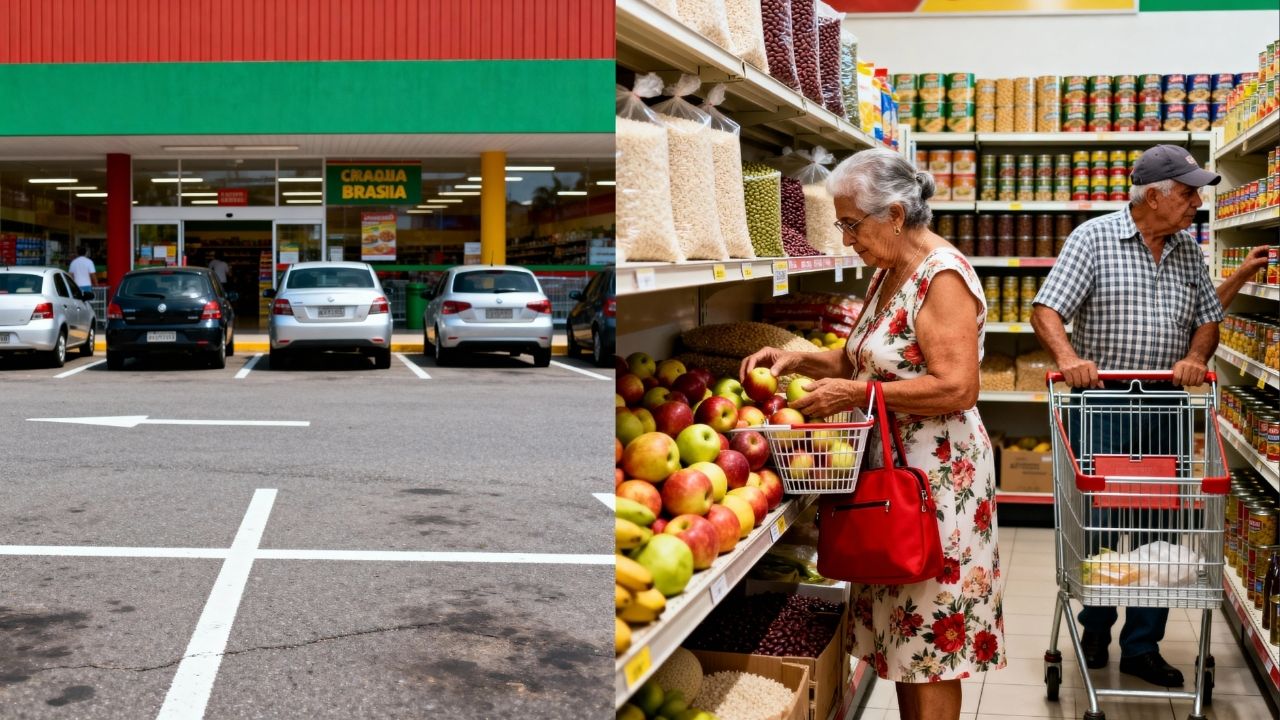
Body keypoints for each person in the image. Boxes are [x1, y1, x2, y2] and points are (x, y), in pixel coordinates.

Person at [741, 148, 1004, 720]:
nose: (846, 239)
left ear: (895, 214)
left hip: (937, 483)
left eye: (851, 225)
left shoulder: (943, 277)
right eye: (841, 225)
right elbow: (866, 360)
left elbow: (957, 387)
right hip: (892, 476)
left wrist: (859, 396)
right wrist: (796, 359)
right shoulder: (888, 273)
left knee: (932, 637)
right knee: (905, 634)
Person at [1031, 144, 1226, 688]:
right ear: (1155, 195)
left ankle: (1142, 645)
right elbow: (1046, 309)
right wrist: (1069, 360)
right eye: (1188, 193)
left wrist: (1195, 356)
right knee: (1098, 523)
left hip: (1164, 407)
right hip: (1104, 406)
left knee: (1156, 530)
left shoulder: (1188, 250)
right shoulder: (1092, 239)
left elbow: (1209, 318)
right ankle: (1096, 622)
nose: (1195, 204)